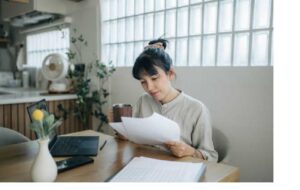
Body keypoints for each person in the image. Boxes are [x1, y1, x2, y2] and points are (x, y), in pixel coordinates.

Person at [120, 38, 218, 162]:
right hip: (144, 166)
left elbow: (212, 157)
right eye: (143, 82)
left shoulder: (197, 109)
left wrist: (191, 151)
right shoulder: (143, 101)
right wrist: (121, 130)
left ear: (170, 73)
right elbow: (132, 138)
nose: (149, 88)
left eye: (154, 78)